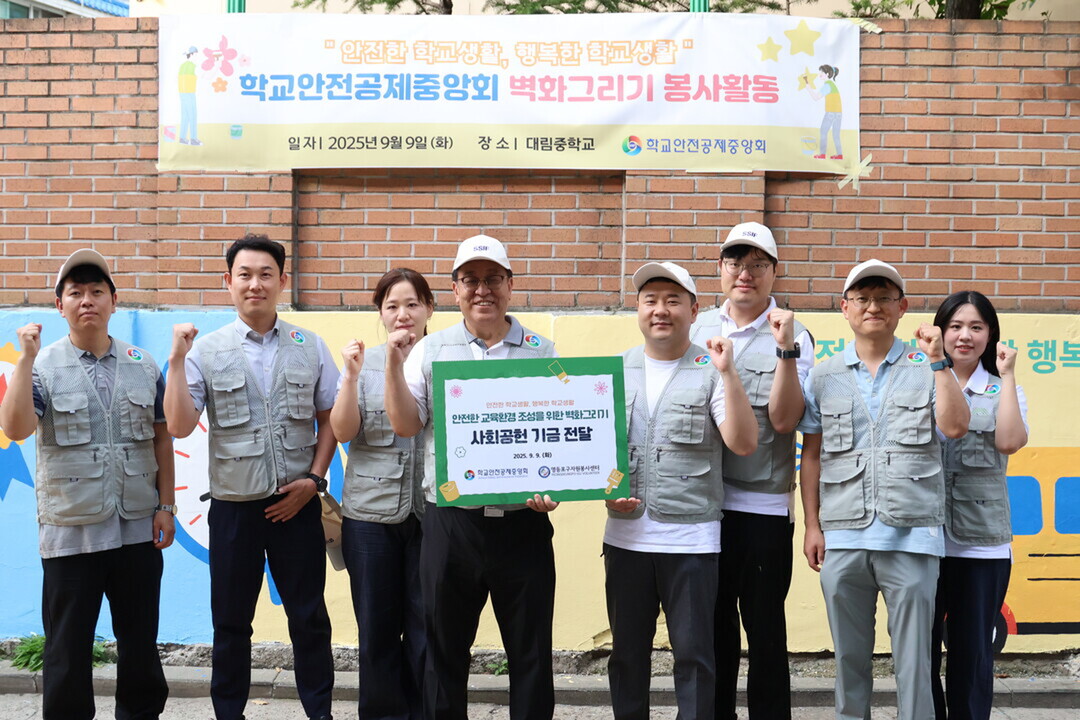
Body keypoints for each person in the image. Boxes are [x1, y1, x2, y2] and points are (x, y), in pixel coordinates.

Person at [382, 234, 559, 720]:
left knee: (531, 653)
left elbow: (555, 433)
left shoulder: (544, 352)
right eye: (471, 280)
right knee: (443, 654)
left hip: (523, 524)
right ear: (455, 289)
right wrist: (394, 364)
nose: (483, 290)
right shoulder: (430, 349)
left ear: (510, 285)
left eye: (493, 279)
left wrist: (555, 486)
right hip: (451, 524)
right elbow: (406, 424)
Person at [163, 235, 338, 720]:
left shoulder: (310, 346)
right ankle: (228, 714)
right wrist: (176, 359)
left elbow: (330, 419)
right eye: (244, 274)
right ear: (228, 281)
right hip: (234, 511)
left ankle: (320, 713)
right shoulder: (205, 350)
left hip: (297, 505)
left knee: (309, 619)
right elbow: (178, 425)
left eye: (266, 274)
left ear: (283, 281)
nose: (255, 284)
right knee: (231, 624)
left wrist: (315, 481)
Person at [0, 249, 174, 720]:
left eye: (97, 291)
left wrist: (166, 507)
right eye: (75, 293)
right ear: (60, 306)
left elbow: (162, 438)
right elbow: (16, 428)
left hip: (137, 528)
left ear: (114, 301)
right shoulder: (41, 365)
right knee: (67, 647)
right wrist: (24, 360)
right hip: (71, 531)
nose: (87, 300)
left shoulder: (144, 363)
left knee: (140, 642)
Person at [798, 259, 970, 720]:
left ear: (902, 307)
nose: (873, 306)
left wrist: (940, 362)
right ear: (845, 308)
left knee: (915, 663)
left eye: (884, 298)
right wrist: (812, 525)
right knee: (849, 659)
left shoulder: (928, 366)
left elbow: (956, 427)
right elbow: (811, 456)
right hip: (843, 535)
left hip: (912, 537)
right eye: (862, 298)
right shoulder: (823, 375)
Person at [605, 262, 758, 720]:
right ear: (637, 309)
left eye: (673, 301)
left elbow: (743, 442)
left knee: (694, 659)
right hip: (625, 539)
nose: (660, 310)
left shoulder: (711, 369)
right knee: (627, 657)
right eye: (650, 300)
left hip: (691, 541)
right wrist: (604, 493)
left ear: (693, 312)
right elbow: (592, 451)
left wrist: (729, 373)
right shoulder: (613, 371)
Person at [690, 223, 813, 720]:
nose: (745, 273)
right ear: (720, 269)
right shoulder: (696, 327)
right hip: (704, 507)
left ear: (774, 272)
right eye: (735, 263)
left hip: (763, 508)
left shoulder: (794, 333)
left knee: (765, 633)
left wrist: (785, 349)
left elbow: (785, 420)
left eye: (758, 264)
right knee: (712, 629)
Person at [329, 268, 435, 720]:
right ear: (380, 313)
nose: (403, 314)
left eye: (412, 304)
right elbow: (342, 431)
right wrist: (351, 378)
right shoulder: (362, 363)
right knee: (376, 629)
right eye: (392, 306)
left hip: (433, 514)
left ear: (430, 308)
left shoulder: (446, 359)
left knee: (427, 627)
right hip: (369, 518)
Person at [930, 291, 1028, 720]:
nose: (964, 336)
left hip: (981, 546)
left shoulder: (1004, 388)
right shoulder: (919, 384)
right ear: (940, 332)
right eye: (955, 326)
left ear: (991, 334)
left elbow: (1009, 441)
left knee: (972, 655)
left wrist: (1007, 375)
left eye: (976, 327)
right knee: (919, 652)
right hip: (922, 539)